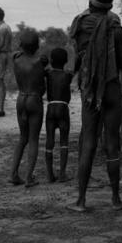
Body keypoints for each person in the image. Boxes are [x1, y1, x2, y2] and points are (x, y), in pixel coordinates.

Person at [67, 0, 122, 212]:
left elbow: (78, 61)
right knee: (112, 142)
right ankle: (115, 199)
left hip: (91, 92)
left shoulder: (80, 26)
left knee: (89, 142)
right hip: (112, 90)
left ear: (90, 3)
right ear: (109, 6)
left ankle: (81, 201)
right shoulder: (117, 28)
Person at [11, 29, 46, 187]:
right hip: (34, 99)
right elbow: (42, 86)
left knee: (22, 138)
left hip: (21, 99)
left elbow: (16, 53)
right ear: (37, 46)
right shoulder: (39, 62)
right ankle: (29, 178)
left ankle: (13, 174)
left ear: (20, 44)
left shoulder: (16, 59)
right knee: (33, 140)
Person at [45, 47, 74, 183]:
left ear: (51, 60)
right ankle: (62, 174)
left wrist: (45, 63)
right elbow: (75, 69)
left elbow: (42, 68)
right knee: (64, 142)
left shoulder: (48, 73)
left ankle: (50, 174)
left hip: (51, 108)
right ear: (66, 61)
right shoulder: (68, 75)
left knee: (49, 142)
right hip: (63, 108)